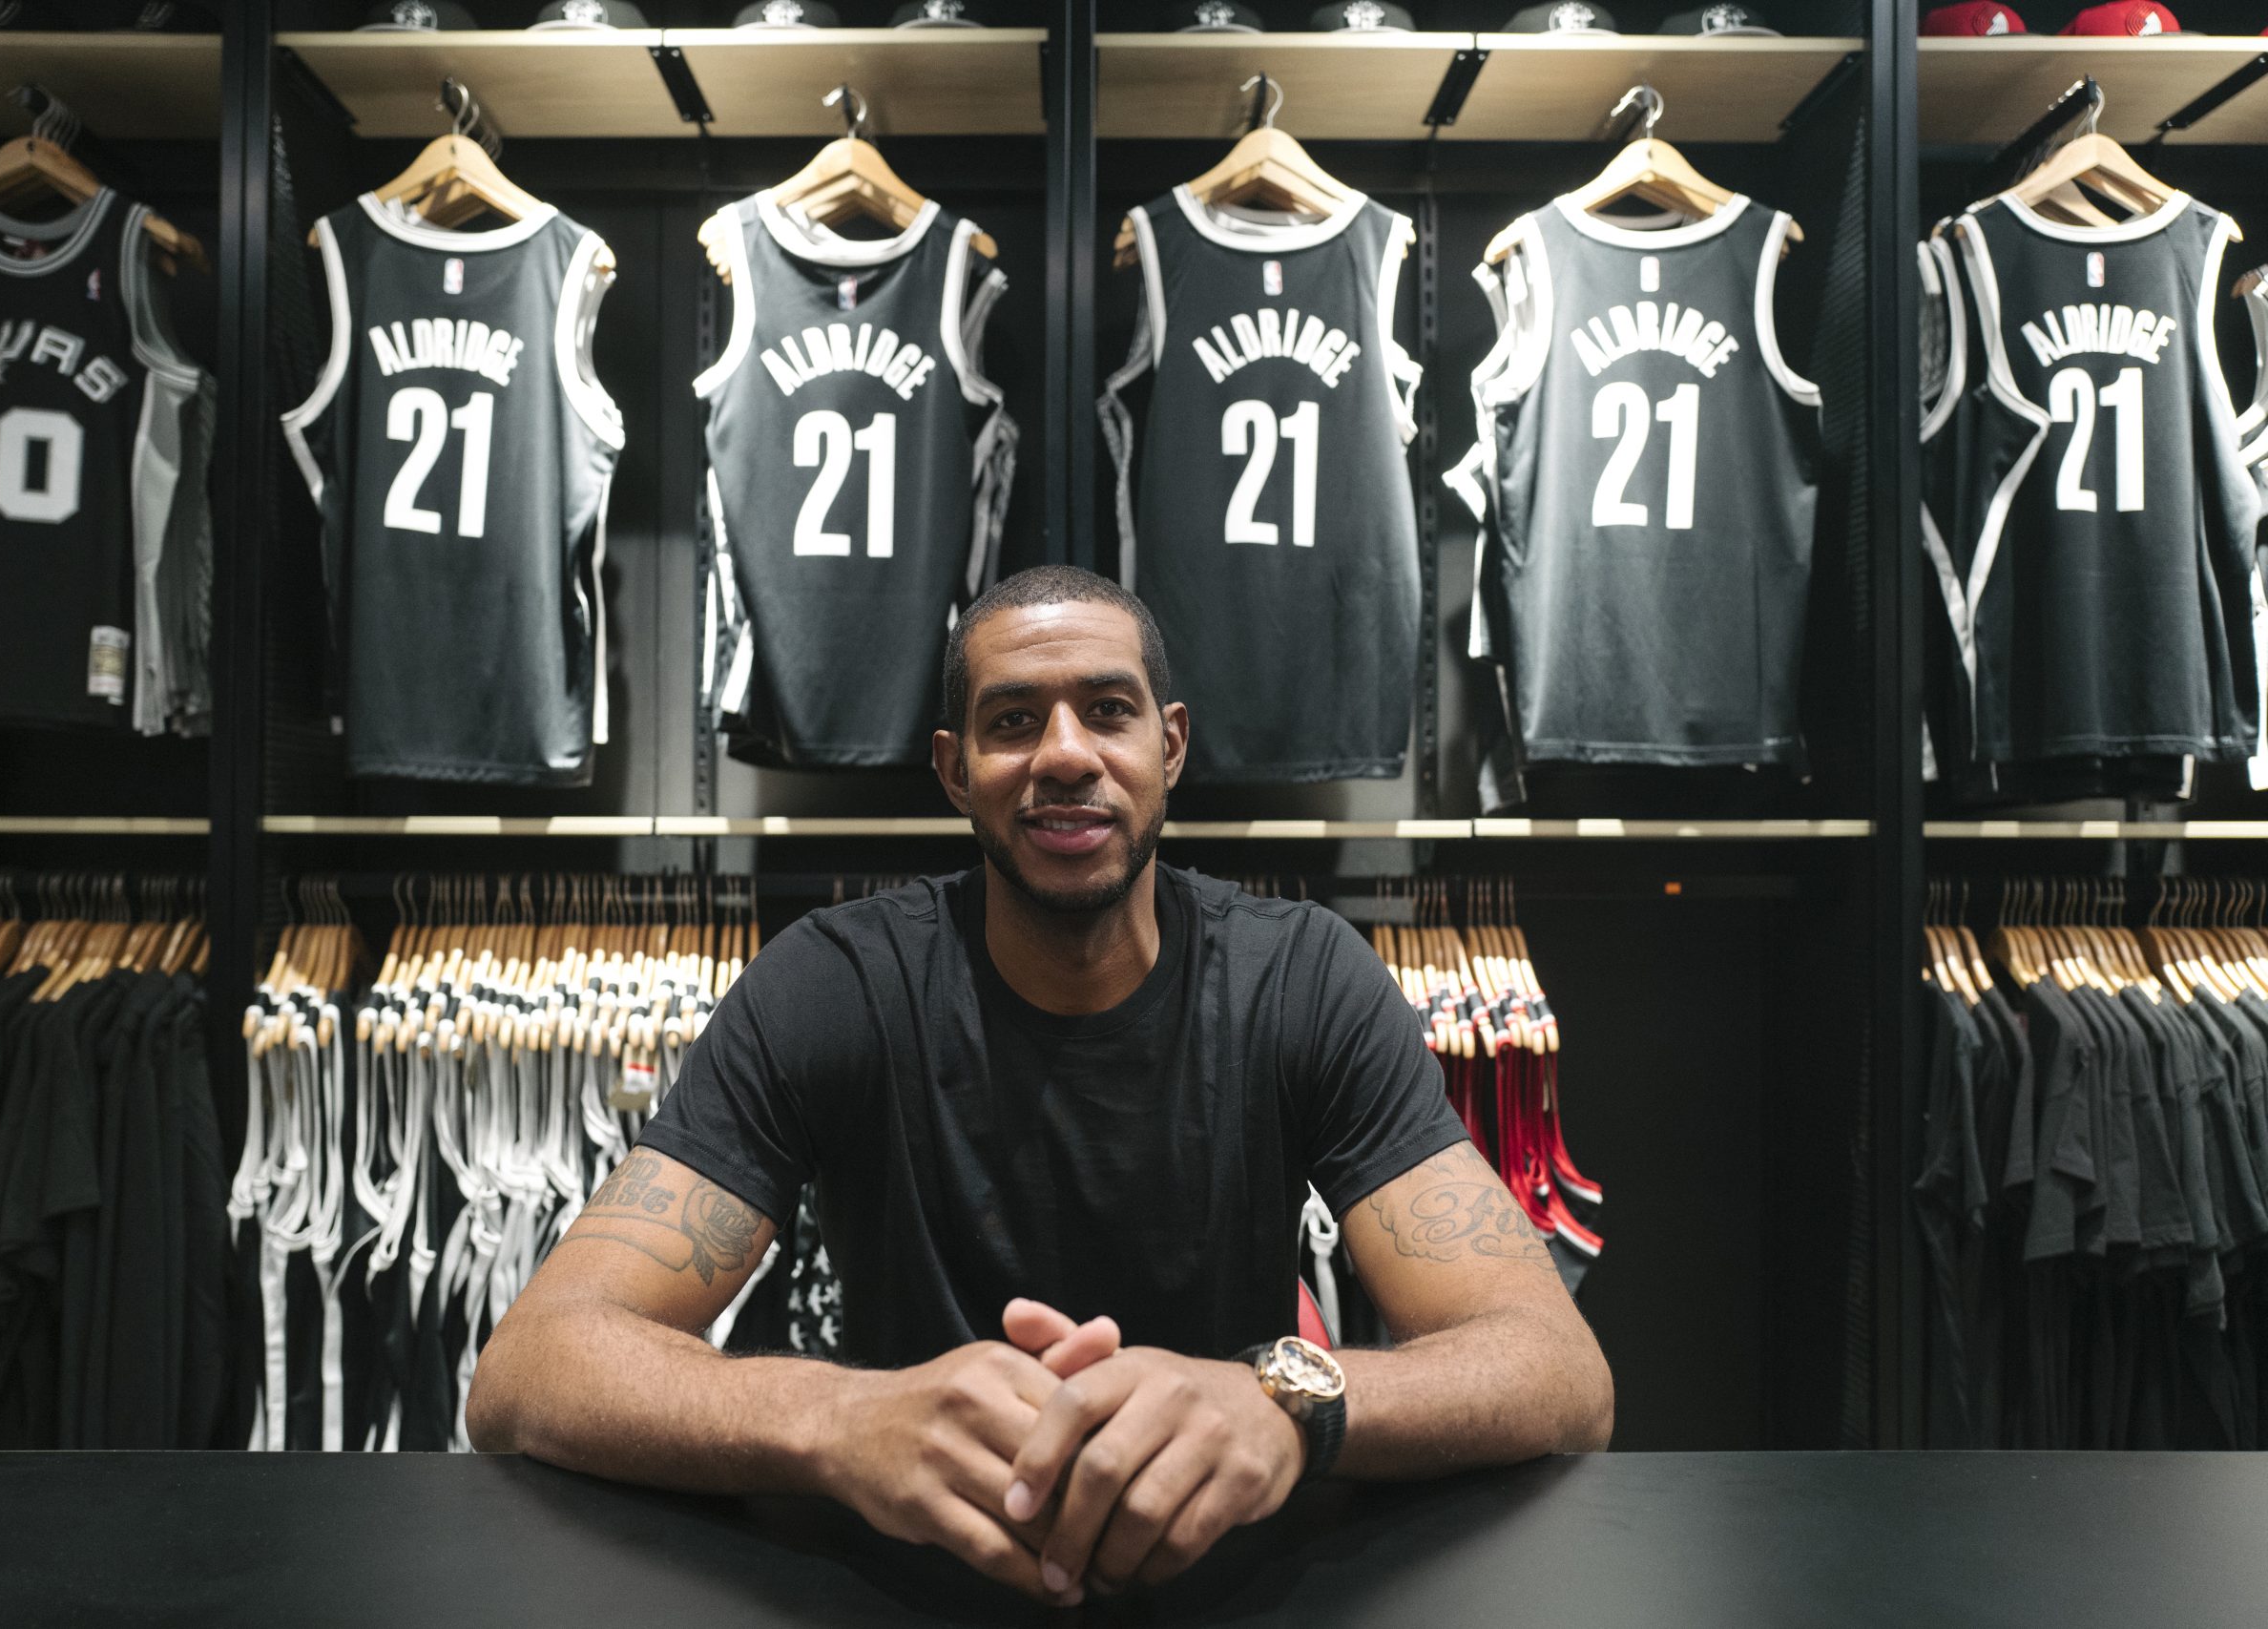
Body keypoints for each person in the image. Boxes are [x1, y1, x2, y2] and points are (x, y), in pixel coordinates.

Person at [466, 565, 1613, 1605]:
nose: (1064, 753)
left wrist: (1281, 1399)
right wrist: (836, 1416)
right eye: (1013, 721)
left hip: (1230, 1588)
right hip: (906, 1587)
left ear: (1169, 747)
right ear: (954, 768)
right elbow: (530, 1371)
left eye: (1106, 711)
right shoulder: (835, 985)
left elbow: (1554, 1369)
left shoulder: (1303, 981)